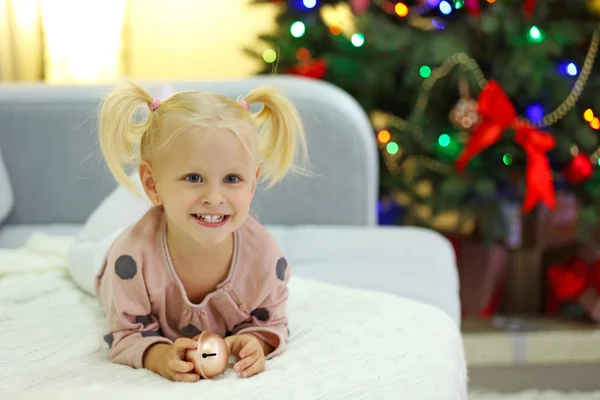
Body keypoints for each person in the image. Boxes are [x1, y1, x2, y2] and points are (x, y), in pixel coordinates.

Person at [94, 80, 309, 383]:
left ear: (253, 182)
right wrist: (158, 357)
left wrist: (255, 342)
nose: (214, 197)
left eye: (232, 178)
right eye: (194, 177)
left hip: (171, 216)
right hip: (104, 255)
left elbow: (271, 322)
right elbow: (126, 334)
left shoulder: (265, 259)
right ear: (152, 184)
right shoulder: (130, 261)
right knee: (83, 252)